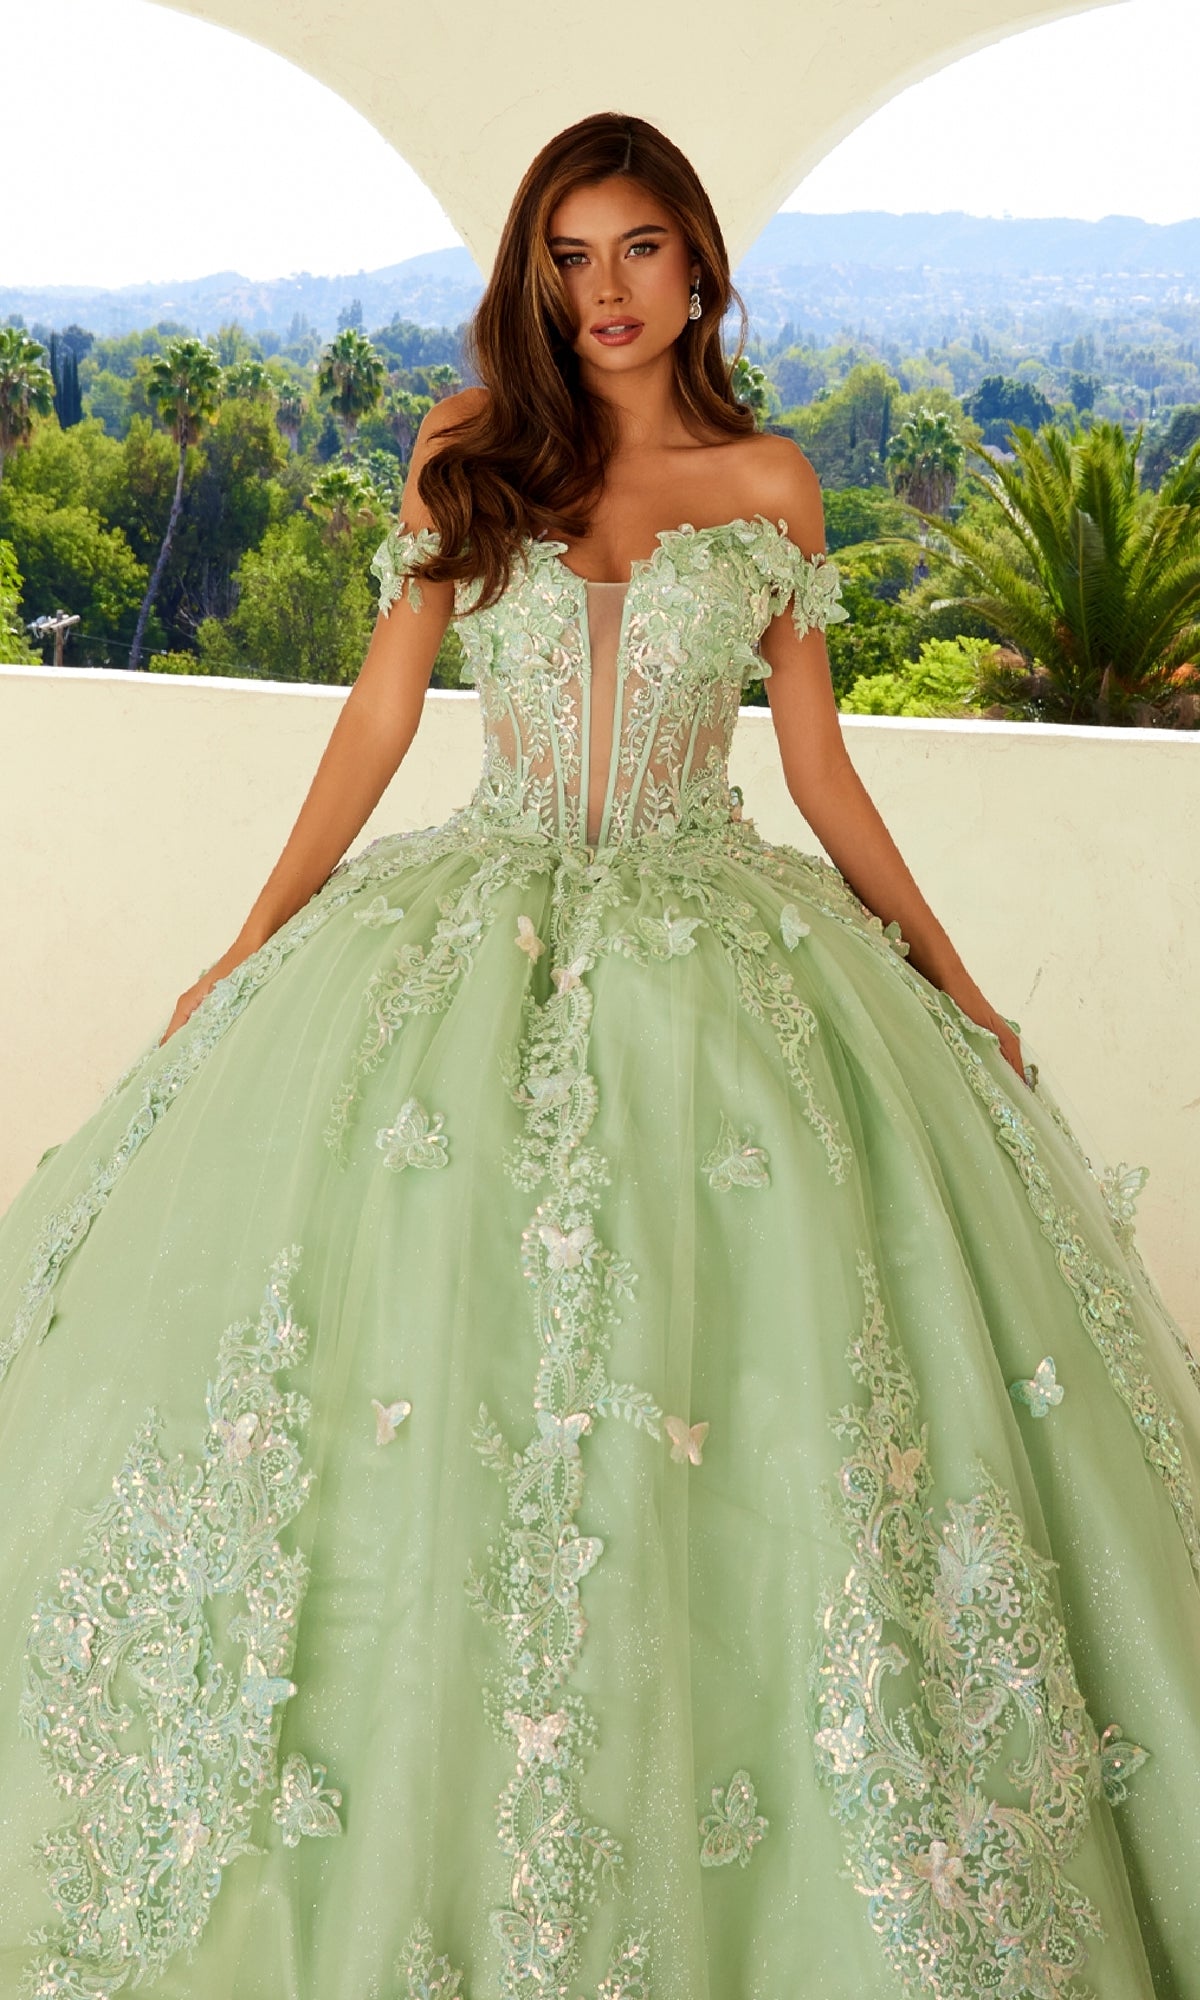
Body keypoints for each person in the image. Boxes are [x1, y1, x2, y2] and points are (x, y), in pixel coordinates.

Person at [0, 110, 1197, 2000]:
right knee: (423, 1343)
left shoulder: (772, 486)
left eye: (637, 250)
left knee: (751, 1368)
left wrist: (953, 975)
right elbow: (384, 720)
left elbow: (813, 767)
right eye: (570, 258)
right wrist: (245, 944)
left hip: (717, 940)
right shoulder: (475, 461)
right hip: (469, 928)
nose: (605, 293)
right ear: (535, 280)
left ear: (699, 262)